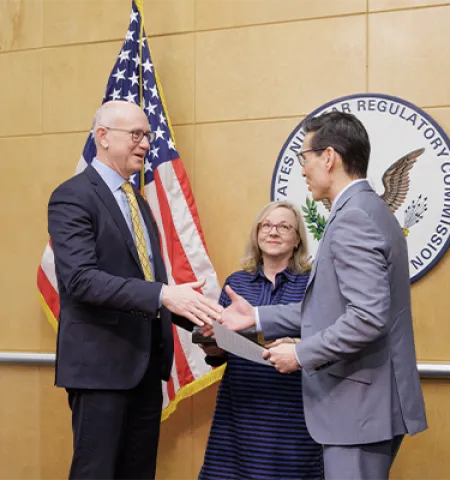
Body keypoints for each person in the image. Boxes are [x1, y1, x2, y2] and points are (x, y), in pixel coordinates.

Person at [207, 112, 428, 480]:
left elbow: (367, 318)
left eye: (304, 158)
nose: (303, 170)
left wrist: (300, 353)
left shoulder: (354, 216)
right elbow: (330, 309)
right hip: (365, 407)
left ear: (328, 157)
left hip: (357, 410)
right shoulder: (368, 209)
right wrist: (257, 317)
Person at [48, 100, 221, 480]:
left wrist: (200, 316)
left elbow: (146, 285)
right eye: (136, 135)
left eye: (148, 135)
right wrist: (164, 294)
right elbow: (79, 279)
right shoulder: (73, 196)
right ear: (103, 137)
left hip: (144, 369)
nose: (145, 144)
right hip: (100, 371)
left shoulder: (137, 202)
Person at [198, 201, 324, 480]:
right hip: (240, 410)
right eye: (266, 225)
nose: (273, 232)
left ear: (297, 239)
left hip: (293, 413)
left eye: (284, 226)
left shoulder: (313, 283)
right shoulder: (236, 283)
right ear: (256, 235)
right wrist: (212, 345)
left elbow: (325, 339)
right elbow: (219, 354)